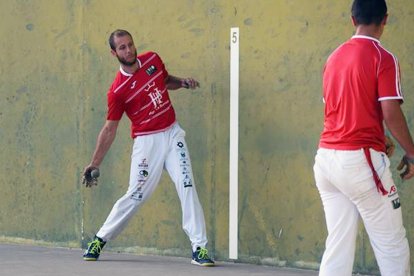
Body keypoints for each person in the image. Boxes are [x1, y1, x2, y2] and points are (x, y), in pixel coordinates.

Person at [82, 29, 214, 267]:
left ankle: (199, 248)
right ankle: (100, 239)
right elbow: (110, 129)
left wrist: (182, 83)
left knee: (187, 185)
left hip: (173, 133)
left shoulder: (152, 59)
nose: (129, 50)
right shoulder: (117, 91)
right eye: (122, 47)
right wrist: (95, 162)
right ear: (114, 53)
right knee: (136, 195)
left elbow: (165, 80)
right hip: (147, 142)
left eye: (130, 44)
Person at [313, 0, 414, 275]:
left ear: (352, 19)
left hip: (326, 161)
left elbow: (342, 110)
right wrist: (412, 152)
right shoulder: (383, 57)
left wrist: (379, 137)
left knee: (338, 244)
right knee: (392, 245)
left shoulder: (332, 59)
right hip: (360, 162)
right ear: (385, 20)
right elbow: (391, 112)